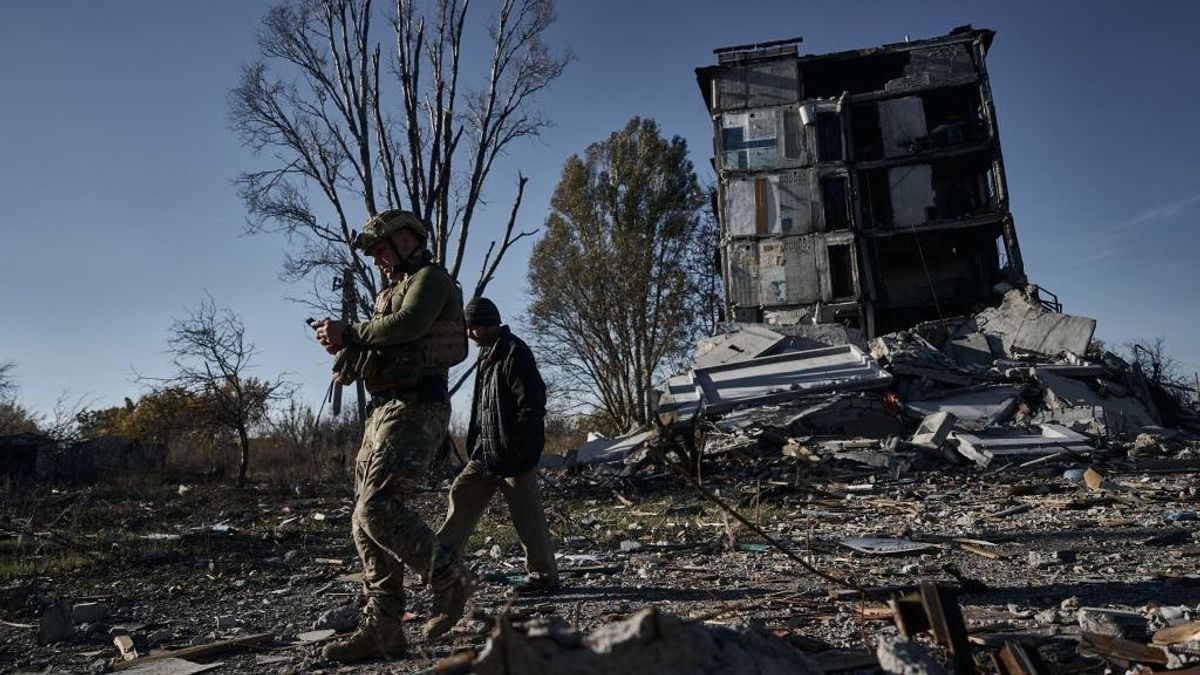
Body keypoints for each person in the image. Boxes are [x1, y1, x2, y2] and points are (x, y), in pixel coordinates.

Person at [313, 209, 471, 662]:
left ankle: (448, 576)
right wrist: (348, 347)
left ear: (408, 239)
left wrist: (351, 332)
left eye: (382, 247)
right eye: (375, 251)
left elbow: (409, 326)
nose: (378, 258)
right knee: (362, 521)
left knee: (378, 508)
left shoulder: (431, 280)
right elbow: (387, 337)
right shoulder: (392, 290)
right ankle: (383, 629)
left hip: (416, 407)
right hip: (384, 409)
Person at [435, 297, 559, 595]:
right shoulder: (488, 354)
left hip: (515, 456)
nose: (469, 334)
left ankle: (543, 577)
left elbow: (532, 404)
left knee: (528, 516)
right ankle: (439, 566)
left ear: (486, 323)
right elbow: (483, 408)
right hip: (487, 455)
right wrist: (477, 445)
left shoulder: (514, 352)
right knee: (461, 494)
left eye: (472, 328)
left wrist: (524, 451)